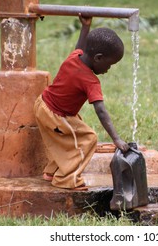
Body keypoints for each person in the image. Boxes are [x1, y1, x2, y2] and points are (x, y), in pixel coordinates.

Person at [34, 15, 130, 190]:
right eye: (110, 65)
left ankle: (51, 171)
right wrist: (116, 138)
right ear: (98, 58)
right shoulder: (90, 81)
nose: (108, 70)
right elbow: (100, 110)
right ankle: (66, 179)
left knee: (68, 138)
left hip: (45, 104)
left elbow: (80, 46)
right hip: (55, 114)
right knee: (88, 139)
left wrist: (85, 26)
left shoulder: (75, 56)